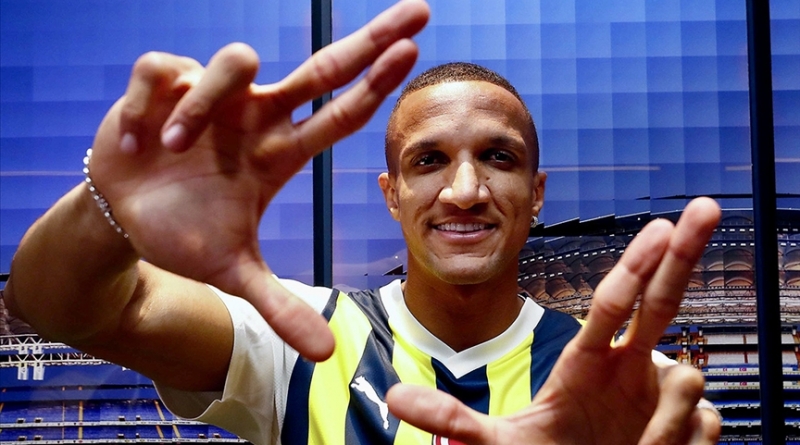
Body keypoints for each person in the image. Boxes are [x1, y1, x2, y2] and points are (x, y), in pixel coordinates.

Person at [4, 0, 722, 443]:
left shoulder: (623, 382)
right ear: (391, 194)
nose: (465, 190)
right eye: (428, 160)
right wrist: (110, 208)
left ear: (536, 194)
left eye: (497, 158)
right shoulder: (296, 344)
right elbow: (57, 307)